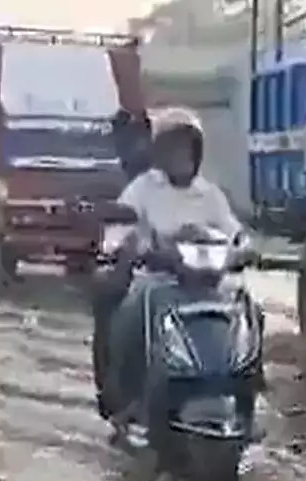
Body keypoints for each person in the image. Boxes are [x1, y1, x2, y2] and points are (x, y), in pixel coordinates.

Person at [91, 107, 247, 426]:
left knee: (246, 309)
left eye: (187, 148)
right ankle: (129, 396)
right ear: (159, 152)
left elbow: (233, 230)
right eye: (173, 148)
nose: (181, 155)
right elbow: (119, 228)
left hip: (206, 284)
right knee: (134, 306)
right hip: (157, 279)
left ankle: (246, 393)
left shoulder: (209, 195)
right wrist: (128, 245)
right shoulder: (144, 189)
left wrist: (244, 248)